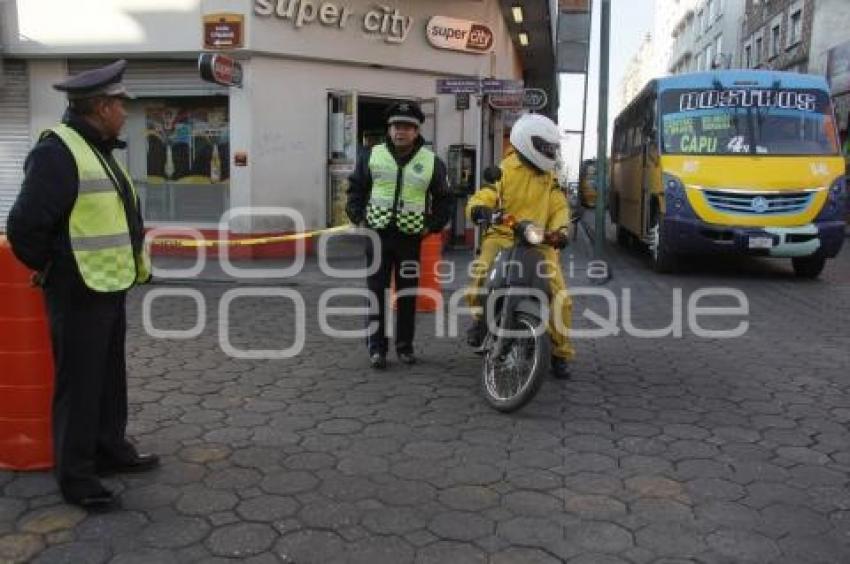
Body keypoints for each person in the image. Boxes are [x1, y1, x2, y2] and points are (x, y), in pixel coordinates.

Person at [6, 60, 158, 510]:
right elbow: (24, 228)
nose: (124, 114)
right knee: (80, 383)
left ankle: (109, 449)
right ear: (100, 106)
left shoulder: (98, 147)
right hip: (78, 290)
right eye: (120, 105)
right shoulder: (58, 151)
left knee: (109, 377)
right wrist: (59, 268)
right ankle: (76, 477)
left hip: (108, 285)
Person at [464, 113, 575, 379]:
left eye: (552, 148)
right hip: (503, 233)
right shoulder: (504, 170)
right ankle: (480, 321)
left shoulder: (551, 176)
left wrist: (561, 231)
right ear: (527, 143)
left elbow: (559, 205)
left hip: (539, 239)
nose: (550, 152)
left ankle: (560, 353)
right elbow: (487, 194)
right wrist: (480, 210)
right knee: (482, 274)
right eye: (545, 147)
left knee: (561, 297)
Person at [346, 101, 452, 369]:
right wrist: (358, 217)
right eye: (395, 126)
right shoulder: (371, 155)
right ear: (389, 129)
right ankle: (377, 349)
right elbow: (355, 190)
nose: (399, 131)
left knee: (407, 295)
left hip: (409, 239)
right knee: (376, 293)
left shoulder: (431, 163)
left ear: (416, 131)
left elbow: (445, 199)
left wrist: (432, 225)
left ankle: (405, 347)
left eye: (406, 127)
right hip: (377, 236)